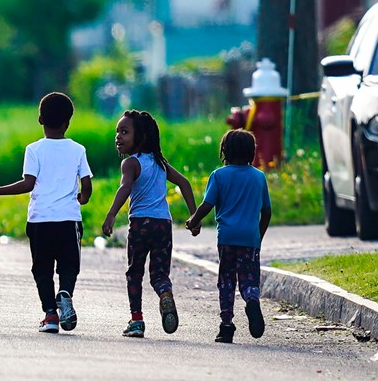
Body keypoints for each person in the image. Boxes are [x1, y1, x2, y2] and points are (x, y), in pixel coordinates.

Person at [0, 92, 92, 334]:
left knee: (42, 268)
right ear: (68, 122)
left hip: (40, 220)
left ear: (40, 119)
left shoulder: (33, 150)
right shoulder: (78, 149)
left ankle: (50, 315)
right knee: (69, 264)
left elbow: (28, 183)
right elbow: (87, 185)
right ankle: (66, 293)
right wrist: (82, 198)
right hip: (68, 219)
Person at [101, 110, 198, 338]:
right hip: (163, 225)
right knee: (159, 274)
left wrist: (111, 214)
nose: (118, 137)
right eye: (117, 132)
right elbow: (184, 183)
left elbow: (124, 188)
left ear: (141, 137)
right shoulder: (160, 164)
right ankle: (165, 293)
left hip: (140, 224)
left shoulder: (131, 164)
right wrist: (194, 216)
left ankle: (136, 321)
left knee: (135, 273)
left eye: (124, 132)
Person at [185, 129, 271, 344]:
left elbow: (207, 205)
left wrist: (193, 221)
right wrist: (258, 235)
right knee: (249, 279)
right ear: (251, 152)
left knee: (227, 281)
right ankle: (252, 299)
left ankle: (226, 327)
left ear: (224, 151)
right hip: (250, 238)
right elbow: (267, 211)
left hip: (227, 238)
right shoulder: (259, 177)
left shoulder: (219, 175)